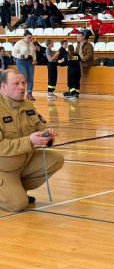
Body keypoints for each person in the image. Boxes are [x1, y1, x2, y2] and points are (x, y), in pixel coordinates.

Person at [0, 68, 64, 212]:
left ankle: (15, 189)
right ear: (3, 87)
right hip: (3, 169)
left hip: (23, 163)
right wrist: (29, 141)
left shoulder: (27, 105)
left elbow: (42, 127)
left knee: (56, 159)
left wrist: (47, 136)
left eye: (23, 83)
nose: (22, 87)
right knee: (18, 204)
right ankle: (10, 193)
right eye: (16, 84)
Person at [12, 30, 36, 101]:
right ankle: (19, 93)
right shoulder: (19, 43)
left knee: (30, 78)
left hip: (30, 62)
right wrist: (22, 56)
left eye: (31, 38)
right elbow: (13, 53)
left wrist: (34, 59)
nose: (30, 39)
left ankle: (29, 94)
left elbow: (34, 53)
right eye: (28, 38)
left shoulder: (31, 44)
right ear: (24, 37)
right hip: (21, 62)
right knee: (23, 77)